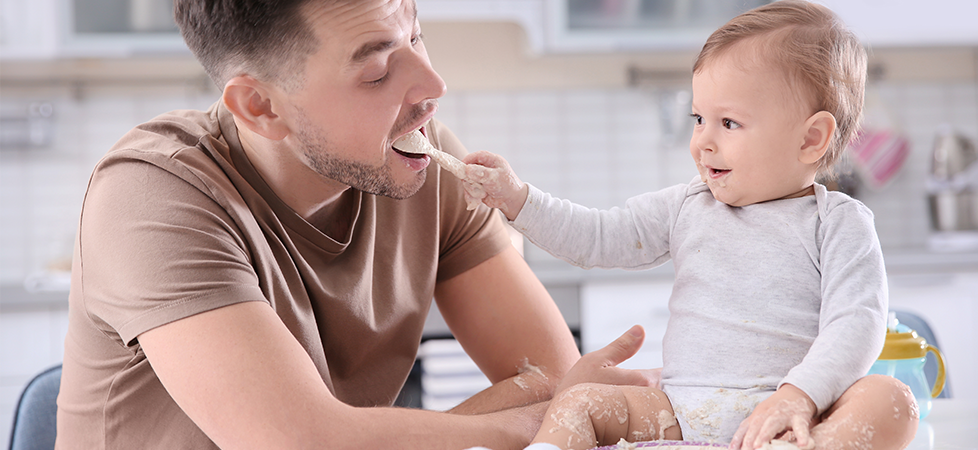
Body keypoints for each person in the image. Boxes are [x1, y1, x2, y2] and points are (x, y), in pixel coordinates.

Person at [55, 1, 657, 449]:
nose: (433, 87)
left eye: (418, 35)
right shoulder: (153, 197)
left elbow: (554, 377)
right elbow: (299, 443)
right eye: (376, 73)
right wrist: (537, 418)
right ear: (260, 107)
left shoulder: (421, 160)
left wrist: (361, 437)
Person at [462, 1, 920, 449]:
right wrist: (518, 200)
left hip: (794, 416)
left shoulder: (838, 223)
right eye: (699, 119)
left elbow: (855, 324)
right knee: (577, 402)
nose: (702, 141)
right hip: (679, 415)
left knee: (891, 399)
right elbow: (597, 237)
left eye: (728, 123)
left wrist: (797, 396)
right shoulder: (686, 206)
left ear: (810, 139)